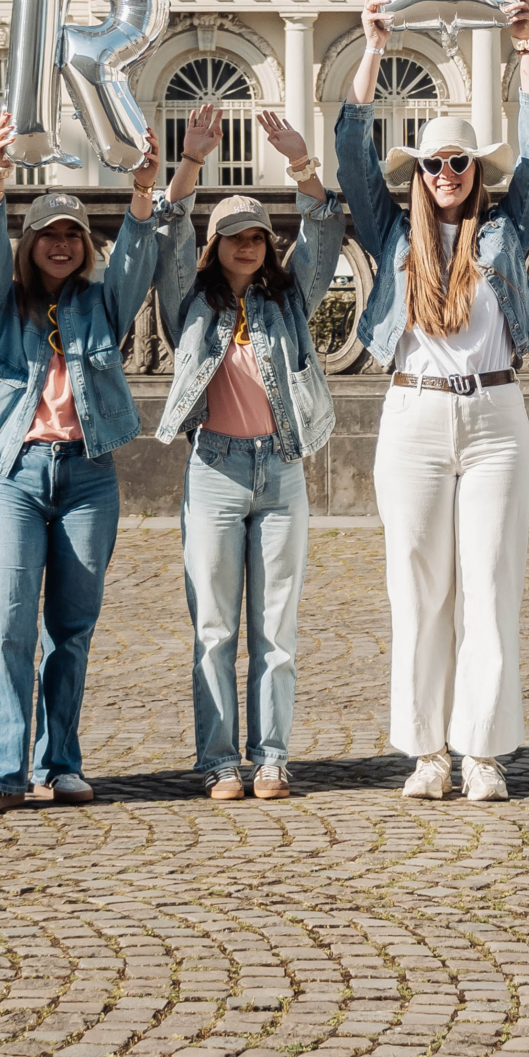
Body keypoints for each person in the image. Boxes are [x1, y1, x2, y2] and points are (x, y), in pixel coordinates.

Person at [0, 105, 213, 814]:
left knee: (71, 628)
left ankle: (59, 762)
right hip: (16, 474)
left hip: (88, 477)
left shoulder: (102, 304)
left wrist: (145, 187)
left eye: (72, 234)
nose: (61, 245)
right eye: (48, 234)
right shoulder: (3, 304)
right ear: (30, 244)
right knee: (7, 624)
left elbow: (136, 257)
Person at [334, 0, 529, 803]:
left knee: (491, 586)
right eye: (432, 163)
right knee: (418, 588)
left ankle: (483, 751)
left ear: (476, 169)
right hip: (415, 413)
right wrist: (372, 47)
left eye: (459, 161)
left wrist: (527, 46)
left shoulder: (504, 227)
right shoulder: (394, 231)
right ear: (419, 174)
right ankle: (427, 749)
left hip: (495, 414)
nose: (445, 173)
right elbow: (351, 149)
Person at [152, 112, 346, 802]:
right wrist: (190, 163)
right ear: (215, 245)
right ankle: (218, 761)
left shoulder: (287, 299)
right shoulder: (190, 300)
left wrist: (302, 164)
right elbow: (168, 229)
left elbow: (324, 231)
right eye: (234, 235)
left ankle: (271, 758)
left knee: (276, 629)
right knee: (213, 629)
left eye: (257, 235)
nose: (247, 244)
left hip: (281, 469)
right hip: (215, 470)